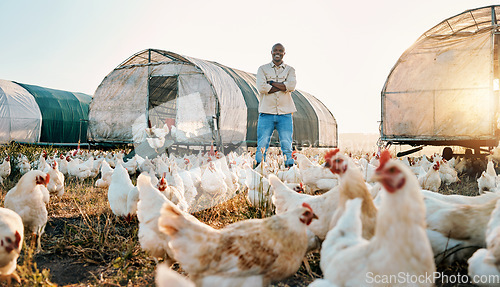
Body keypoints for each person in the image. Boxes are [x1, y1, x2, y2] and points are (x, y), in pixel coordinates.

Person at [255, 43, 297, 168]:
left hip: (285, 114)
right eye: (275, 50)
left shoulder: (290, 70)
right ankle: (259, 168)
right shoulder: (262, 69)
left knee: (287, 144)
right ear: (271, 52)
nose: (277, 53)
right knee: (262, 144)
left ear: (284, 53)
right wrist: (282, 86)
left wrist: (272, 83)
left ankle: (289, 169)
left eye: (280, 51)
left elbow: (291, 86)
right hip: (266, 112)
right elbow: (262, 88)